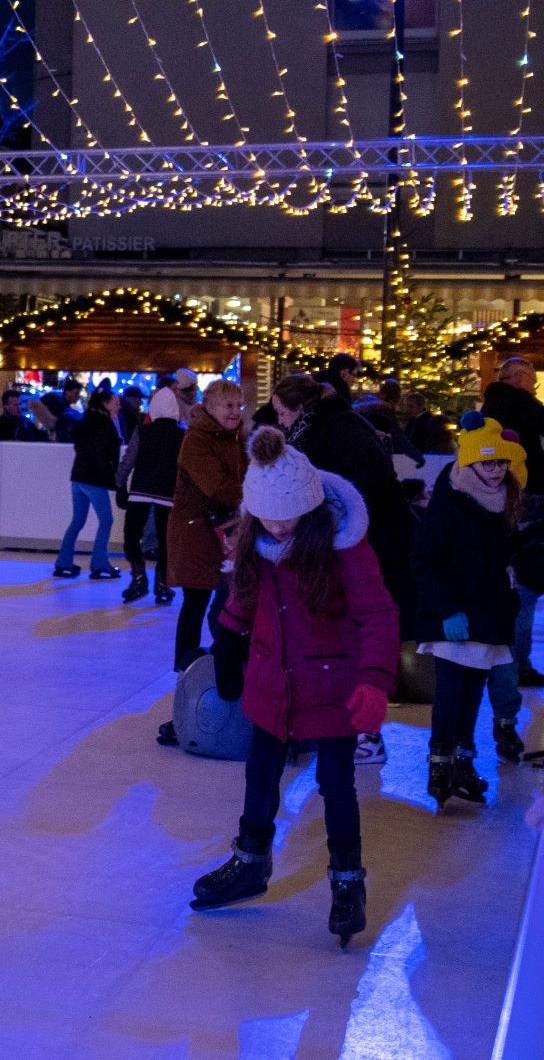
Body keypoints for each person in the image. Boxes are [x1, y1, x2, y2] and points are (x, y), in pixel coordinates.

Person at [189, 426, 396, 949]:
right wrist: (229, 631)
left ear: (309, 505)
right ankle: (250, 863)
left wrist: (374, 681)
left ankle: (348, 880)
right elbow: (246, 591)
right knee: (260, 774)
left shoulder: (344, 546)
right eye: (269, 516)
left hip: (332, 685)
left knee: (336, 784)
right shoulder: (256, 538)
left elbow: (378, 614)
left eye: (288, 516)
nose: (279, 527)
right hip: (271, 680)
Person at [271, 373, 417, 756]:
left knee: (358, 633)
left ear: (301, 409)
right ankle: (334, 724)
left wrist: (333, 521)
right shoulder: (320, 430)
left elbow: (362, 486)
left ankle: (367, 732)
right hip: (343, 544)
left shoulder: (341, 428)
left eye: (283, 413)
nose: (280, 422)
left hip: (369, 546)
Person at [413, 413, 529, 795]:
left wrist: (509, 597)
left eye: (501, 463)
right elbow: (426, 559)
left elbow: (500, 558)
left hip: (489, 615)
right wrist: (447, 610)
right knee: (451, 691)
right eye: (487, 463)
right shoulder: (451, 502)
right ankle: (440, 761)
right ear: (470, 462)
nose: (495, 471)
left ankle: (463, 760)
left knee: (473, 692)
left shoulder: (505, 499)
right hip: (454, 616)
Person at [167, 379, 246, 677]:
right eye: (228, 405)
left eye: (239, 405)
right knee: (197, 600)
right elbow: (218, 489)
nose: (235, 411)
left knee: (227, 598)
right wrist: (257, 491)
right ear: (210, 407)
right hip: (196, 531)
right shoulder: (196, 441)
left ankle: (222, 664)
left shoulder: (236, 438)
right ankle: (185, 669)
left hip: (225, 531)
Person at [482, 356, 544, 692]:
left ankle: (504, 658)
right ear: (518, 378)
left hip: (506, 502)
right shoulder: (521, 404)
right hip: (528, 501)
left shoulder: (492, 408)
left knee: (514, 581)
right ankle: (517, 662)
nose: (532, 385)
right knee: (527, 583)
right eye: (531, 379)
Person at [119, 387, 186, 604]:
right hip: (168, 495)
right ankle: (162, 583)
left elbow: (128, 460)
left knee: (131, 536)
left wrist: (120, 485)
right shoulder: (183, 435)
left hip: (139, 492)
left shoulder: (142, 431)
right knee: (167, 541)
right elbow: (186, 468)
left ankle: (139, 578)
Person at [53, 387, 123, 581]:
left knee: (78, 520)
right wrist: (111, 478)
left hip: (78, 478)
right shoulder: (104, 424)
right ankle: (99, 563)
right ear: (105, 404)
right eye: (115, 402)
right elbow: (103, 453)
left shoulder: (86, 421)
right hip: (94, 480)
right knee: (106, 520)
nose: (119, 405)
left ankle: (63, 561)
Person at [402, 391, 455, 456]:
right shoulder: (412, 421)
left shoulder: (430, 422)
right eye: (406, 406)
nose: (407, 409)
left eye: (411, 406)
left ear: (421, 406)